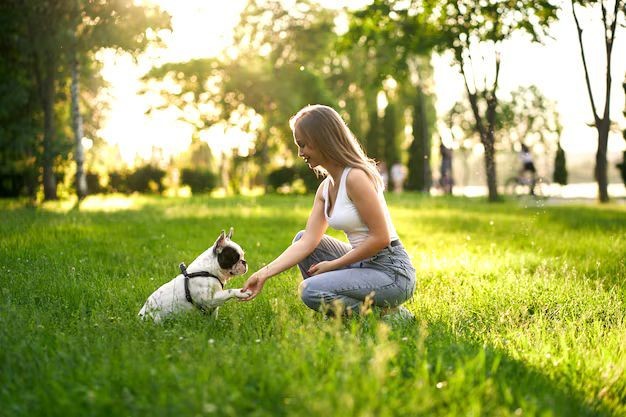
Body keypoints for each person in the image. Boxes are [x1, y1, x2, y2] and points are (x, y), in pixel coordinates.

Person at [241, 105, 416, 319]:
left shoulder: (355, 178)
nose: (300, 153)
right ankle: (345, 311)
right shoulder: (325, 187)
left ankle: (387, 316)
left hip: (392, 272)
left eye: (303, 145)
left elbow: (380, 238)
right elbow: (307, 243)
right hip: (364, 264)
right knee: (301, 239)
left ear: (323, 140)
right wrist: (263, 274)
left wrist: (333, 265)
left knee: (310, 290)